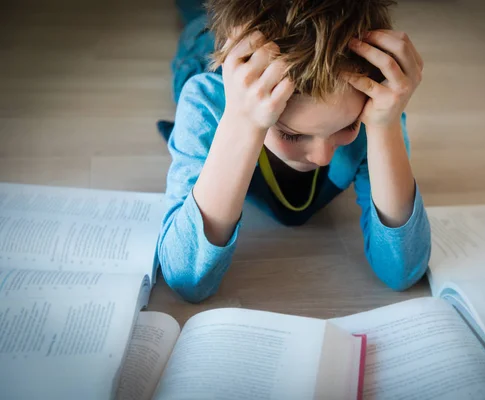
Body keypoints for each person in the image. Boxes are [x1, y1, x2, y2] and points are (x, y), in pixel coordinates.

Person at [157, 0, 431, 303]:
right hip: (204, 51)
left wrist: (386, 126)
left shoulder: (375, 110)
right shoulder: (206, 102)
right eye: (290, 134)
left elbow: (403, 271)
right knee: (199, 16)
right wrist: (241, 121)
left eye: (347, 127)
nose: (323, 157)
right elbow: (188, 280)